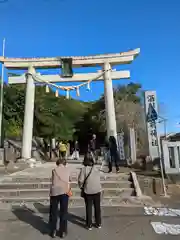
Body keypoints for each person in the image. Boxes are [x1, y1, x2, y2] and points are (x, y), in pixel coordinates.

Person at [78, 152, 102, 230]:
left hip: (88, 190)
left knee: (88, 207)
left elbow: (80, 180)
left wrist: (81, 187)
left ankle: (89, 224)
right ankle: (98, 223)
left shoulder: (84, 169)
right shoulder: (96, 168)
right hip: (97, 189)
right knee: (97, 207)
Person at [49, 158, 71, 238]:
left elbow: (53, 181)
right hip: (65, 191)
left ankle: (53, 231)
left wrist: (51, 192)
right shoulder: (68, 170)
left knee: (54, 212)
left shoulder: (54, 170)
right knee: (63, 212)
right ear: (65, 163)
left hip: (55, 192)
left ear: (57, 163)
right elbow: (69, 181)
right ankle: (62, 231)